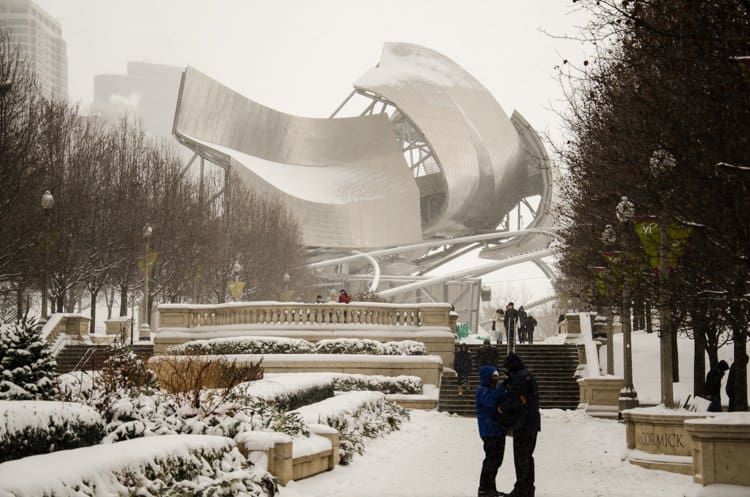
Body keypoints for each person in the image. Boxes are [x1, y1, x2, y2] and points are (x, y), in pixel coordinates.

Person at [499, 353, 540, 497]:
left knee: (521, 458)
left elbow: (518, 399)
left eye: (507, 369)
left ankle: (522, 489)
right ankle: (528, 488)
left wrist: (503, 408)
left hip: (523, 424)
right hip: (532, 423)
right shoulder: (527, 375)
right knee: (528, 456)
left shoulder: (519, 378)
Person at [475, 366, 507, 497]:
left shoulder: (493, 389)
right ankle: (484, 488)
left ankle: (491, 488)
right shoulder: (482, 390)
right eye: (494, 376)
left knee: (497, 460)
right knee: (491, 460)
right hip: (489, 431)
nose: (496, 379)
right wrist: (501, 389)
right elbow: (491, 402)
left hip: (498, 430)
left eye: (497, 376)